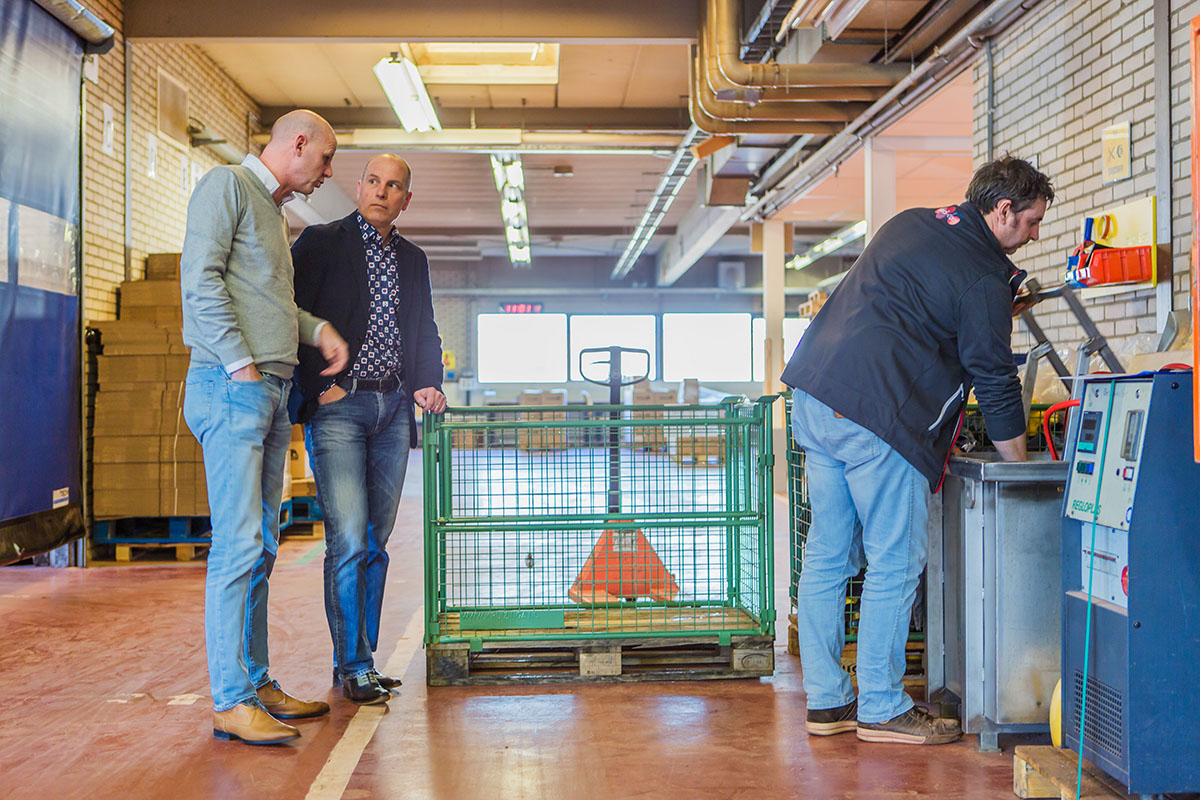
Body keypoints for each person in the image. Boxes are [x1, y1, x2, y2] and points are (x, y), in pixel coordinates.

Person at [781, 155, 1052, 745]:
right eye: (1032, 221)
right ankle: (881, 706)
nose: (1034, 235)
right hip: (877, 415)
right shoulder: (984, 277)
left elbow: (912, 308)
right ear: (1003, 210)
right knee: (895, 561)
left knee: (827, 555)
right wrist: (1022, 470)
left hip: (815, 397)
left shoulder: (912, 222)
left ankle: (827, 701)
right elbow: (995, 377)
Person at [181, 109, 349, 745]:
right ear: (297, 143)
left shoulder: (275, 214)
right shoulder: (226, 185)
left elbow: (271, 301)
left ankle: (254, 681)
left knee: (264, 545)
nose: (327, 173)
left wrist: (316, 328)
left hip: (269, 392)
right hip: (234, 389)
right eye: (325, 159)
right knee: (238, 545)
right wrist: (240, 364)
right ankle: (230, 700)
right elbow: (199, 279)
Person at [291, 153, 446, 705]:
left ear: (406, 199)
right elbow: (290, 315)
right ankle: (354, 664)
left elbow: (424, 329)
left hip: (393, 410)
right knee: (350, 539)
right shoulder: (320, 242)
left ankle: (360, 662)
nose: (382, 192)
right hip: (340, 407)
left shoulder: (413, 260)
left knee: (376, 542)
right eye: (374, 181)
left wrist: (428, 382)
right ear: (359, 187)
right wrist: (316, 390)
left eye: (393, 186)